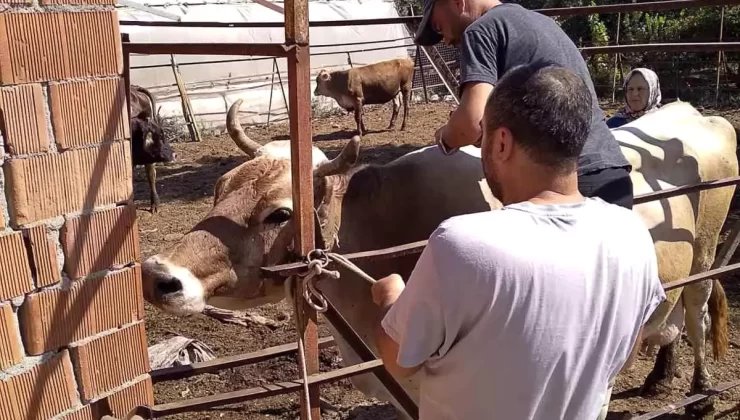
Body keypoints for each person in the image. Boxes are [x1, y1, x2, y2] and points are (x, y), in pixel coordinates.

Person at [371, 63, 666, 420]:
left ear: (501, 142)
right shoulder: (631, 234)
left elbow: (399, 361)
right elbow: (626, 356)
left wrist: (390, 300)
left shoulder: (462, 245)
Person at [414, 0, 634, 209]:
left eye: (438, 26)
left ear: (458, 2)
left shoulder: (481, 30)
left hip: (562, 187)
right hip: (611, 173)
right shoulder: (542, 22)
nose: (444, 38)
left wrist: (446, 137)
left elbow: (471, 124)